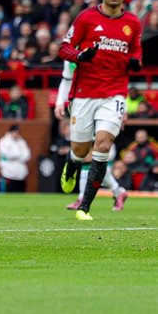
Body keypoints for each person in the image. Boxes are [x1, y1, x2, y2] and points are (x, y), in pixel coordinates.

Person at [59, 0, 143, 220]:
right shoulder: (86, 19)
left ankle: (85, 205)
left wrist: (137, 60)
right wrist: (80, 56)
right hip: (84, 94)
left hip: (114, 94)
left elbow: (136, 49)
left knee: (103, 144)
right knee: (80, 148)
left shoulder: (133, 24)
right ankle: (72, 161)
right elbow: (64, 48)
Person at [54, 60, 129, 211]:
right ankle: (118, 191)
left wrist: (123, 108)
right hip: (81, 106)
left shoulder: (102, 49)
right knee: (88, 158)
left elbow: (117, 79)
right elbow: (67, 78)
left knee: (90, 158)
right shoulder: (70, 54)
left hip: (102, 107)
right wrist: (60, 101)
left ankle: (83, 198)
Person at [0, 124, 31, 192]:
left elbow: (27, 155)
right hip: (8, 173)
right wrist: (19, 155)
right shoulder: (3, 141)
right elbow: (6, 155)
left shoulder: (22, 142)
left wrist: (16, 156)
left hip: (21, 174)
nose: (16, 134)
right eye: (15, 132)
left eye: (18, 132)